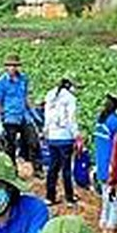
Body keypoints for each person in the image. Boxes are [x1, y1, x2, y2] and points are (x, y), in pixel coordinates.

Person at [94, 94, 117, 233]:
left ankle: (104, 230)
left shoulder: (101, 120)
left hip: (101, 166)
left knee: (106, 200)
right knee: (115, 204)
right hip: (113, 168)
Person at [43, 76, 79, 205]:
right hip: (65, 137)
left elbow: (46, 117)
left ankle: (49, 196)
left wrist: (46, 132)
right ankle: (69, 197)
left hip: (52, 137)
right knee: (66, 169)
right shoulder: (70, 98)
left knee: (53, 167)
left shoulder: (50, 95)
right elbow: (71, 119)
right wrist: (76, 136)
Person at [0, 54, 33, 168]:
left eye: (15, 66)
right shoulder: (0, 82)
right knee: (10, 146)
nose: (12, 68)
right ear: (6, 67)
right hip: (10, 117)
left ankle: (37, 168)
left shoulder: (23, 79)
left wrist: (32, 112)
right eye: (10, 66)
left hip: (23, 115)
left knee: (33, 142)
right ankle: (12, 169)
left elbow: (26, 97)